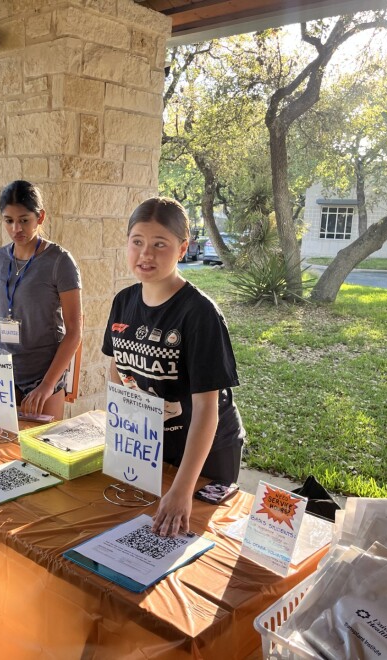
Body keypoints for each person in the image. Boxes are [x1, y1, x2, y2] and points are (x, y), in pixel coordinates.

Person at [102, 197, 246, 537]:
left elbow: (206, 408)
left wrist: (183, 489)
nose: (145, 254)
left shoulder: (200, 315)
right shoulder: (123, 301)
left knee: (191, 541)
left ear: (182, 249)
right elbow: (117, 370)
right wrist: (124, 431)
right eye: (137, 242)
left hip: (205, 450)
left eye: (159, 244)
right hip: (151, 442)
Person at [0, 180, 82, 421]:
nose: (16, 228)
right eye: (8, 220)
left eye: (24, 220)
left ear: (40, 217)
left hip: (43, 377)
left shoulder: (60, 261)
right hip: (3, 375)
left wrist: (48, 385)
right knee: (0, 451)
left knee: (41, 455)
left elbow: (74, 332)